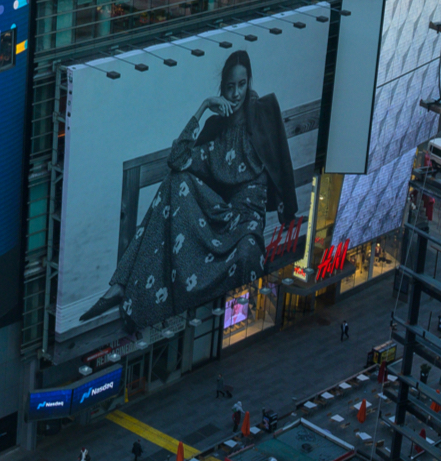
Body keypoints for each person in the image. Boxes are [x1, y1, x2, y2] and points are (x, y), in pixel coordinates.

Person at [79, 50, 297, 330]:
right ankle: (122, 284)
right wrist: (204, 106)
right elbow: (178, 160)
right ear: (222, 89)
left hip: (247, 222)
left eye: (242, 84)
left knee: (246, 257)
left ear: (249, 82)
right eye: (230, 87)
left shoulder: (263, 113)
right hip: (220, 214)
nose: (236, 93)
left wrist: (288, 211)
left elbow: (282, 159)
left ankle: (125, 285)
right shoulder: (216, 126)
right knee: (175, 182)